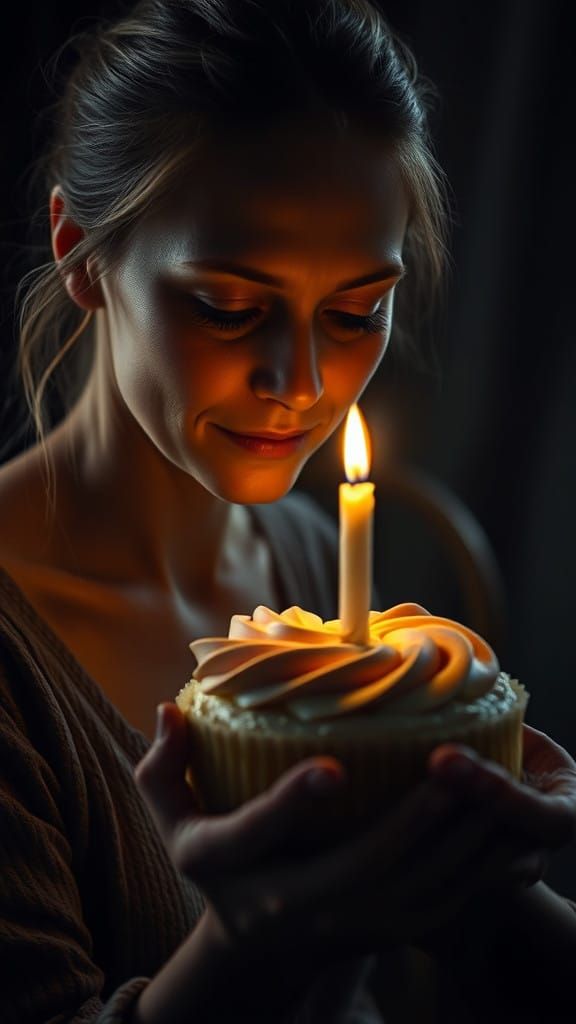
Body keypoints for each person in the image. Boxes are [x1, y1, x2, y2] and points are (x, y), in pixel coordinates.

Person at [0, 1, 574, 1021]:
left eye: (356, 313)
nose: (300, 381)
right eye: (228, 305)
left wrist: (487, 881)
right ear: (80, 249)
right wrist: (248, 947)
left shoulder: (320, 564)